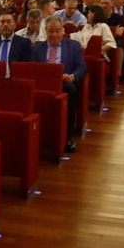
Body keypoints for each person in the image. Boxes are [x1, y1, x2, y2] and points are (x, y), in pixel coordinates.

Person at [32, 18, 86, 151]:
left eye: (57, 31)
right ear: (45, 32)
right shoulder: (37, 48)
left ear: (62, 31)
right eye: (51, 31)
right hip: (43, 83)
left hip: (64, 82)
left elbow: (82, 67)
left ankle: (68, 136)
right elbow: (31, 68)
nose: (54, 35)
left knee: (71, 90)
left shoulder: (74, 46)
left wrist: (72, 76)